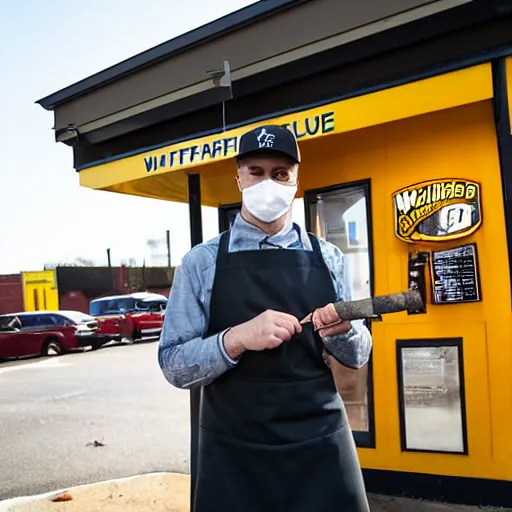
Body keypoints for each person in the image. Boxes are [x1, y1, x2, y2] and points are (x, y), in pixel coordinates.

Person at [158, 124, 372, 512]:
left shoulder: (330, 258)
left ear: (295, 180)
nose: (267, 183)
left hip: (321, 442)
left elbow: (359, 355)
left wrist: (342, 334)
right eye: (255, 172)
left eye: (280, 174)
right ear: (238, 177)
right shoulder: (202, 263)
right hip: (234, 452)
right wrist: (236, 338)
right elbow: (174, 365)